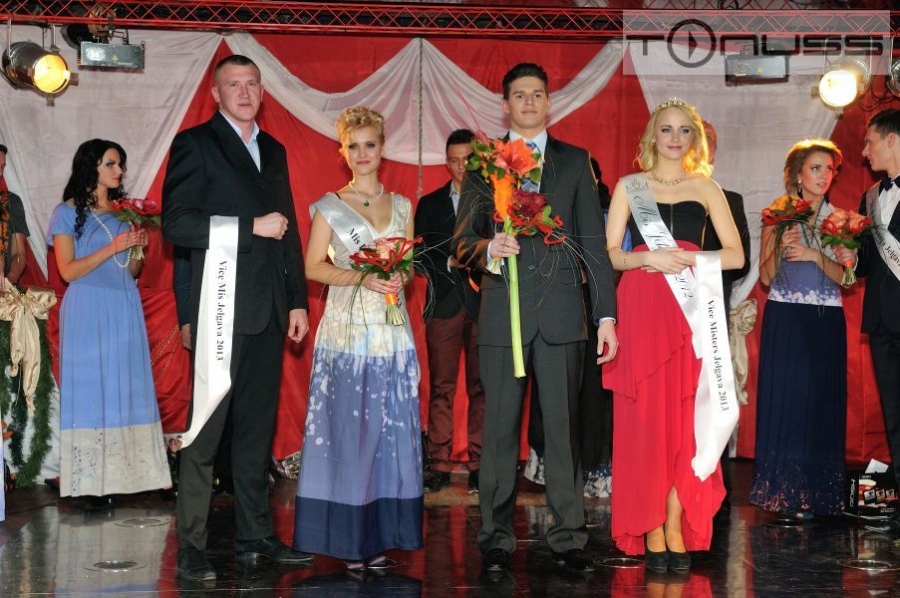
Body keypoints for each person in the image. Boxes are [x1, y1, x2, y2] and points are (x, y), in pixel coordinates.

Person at [453, 62, 618, 573]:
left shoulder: (575, 161)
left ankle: (568, 538)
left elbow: (594, 244)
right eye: (520, 94)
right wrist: (489, 248)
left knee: (563, 432)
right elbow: (461, 243)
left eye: (538, 94)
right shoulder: (485, 164)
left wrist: (606, 317)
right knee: (499, 432)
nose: (529, 101)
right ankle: (495, 539)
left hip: (563, 315)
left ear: (549, 102)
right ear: (505, 104)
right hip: (503, 313)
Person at [162, 54, 311, 582]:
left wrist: (297, 299)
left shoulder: (274, 149)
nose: (244, 92)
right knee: (205, 433)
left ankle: (255, 535)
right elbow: (177, 225)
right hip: (221, 308)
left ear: (263, 92)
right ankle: (192, 546)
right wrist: (250, 227)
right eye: (233, 84)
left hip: (269, 309)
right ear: (215, 94)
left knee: (255, 433)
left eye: (252, 83)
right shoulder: (195, 144)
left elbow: (288, 230)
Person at [603, 99, 744, 572]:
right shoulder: (629, 186)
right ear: (652, 136)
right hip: (643, 306)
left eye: (685, 130)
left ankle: (675, 522)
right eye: (666, 129)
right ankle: (651, 526)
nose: (675, 138)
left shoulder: (706, 188)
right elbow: (610, 254)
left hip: (690, 310)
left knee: (687, 421)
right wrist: (647, 257)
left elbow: (735, 256)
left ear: (695, 139)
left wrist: (687, 258)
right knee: (646, 421)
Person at [293, 106, 423, 571]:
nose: (362, 153)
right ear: (343, 151)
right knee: (349, 433)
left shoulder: (403, 206)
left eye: (370, 145)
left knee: (390, 431)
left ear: (383, 149)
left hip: (391, 332)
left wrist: (400, 276)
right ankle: (348, 538)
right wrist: (362, 278)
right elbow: (312, 267)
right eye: (354, 146)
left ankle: (381, 534)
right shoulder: (331, 205)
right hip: (346, 332)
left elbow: (409, 268)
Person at [47, 139, 170, 508]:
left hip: (123, 303)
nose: (120, 171)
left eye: (121, 165)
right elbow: (69, 271)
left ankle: (133, 476)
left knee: (126, 385)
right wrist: (113, 247)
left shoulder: (124, 214)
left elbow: (129, 271)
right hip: (87, 307)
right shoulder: (66, 212)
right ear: (92, 167)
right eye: (111, 164)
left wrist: (136, 249)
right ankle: (89, 482)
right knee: (92, 389)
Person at [750, 139, 851, 520]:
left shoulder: (840, 220)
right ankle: (783, 495)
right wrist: (780, 248)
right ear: (797, 174)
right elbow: (765, 277)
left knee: (821, 402)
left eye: (829, 169)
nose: (824, 176)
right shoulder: (778, 215)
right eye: (816, 168)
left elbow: (848, 279)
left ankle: (818, 495)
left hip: (826, 320)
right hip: (786, 317)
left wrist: (815, 255)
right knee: (788, 402)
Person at [415, 128, 484, 494]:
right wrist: (448, 261)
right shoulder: (430, 204)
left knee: (482, 387)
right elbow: (417, 254)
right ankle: (439, 463)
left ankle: (480, 463)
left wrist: (476, 261)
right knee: (441, 387)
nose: (461, 167)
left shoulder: (492, 201)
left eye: (467, 160)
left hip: (484, 305)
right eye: (455, 161)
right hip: (442, 304)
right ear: (446, 162)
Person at [700, 120, 752, 506]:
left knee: (713, 398)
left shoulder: (729, 199)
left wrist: (696, 266)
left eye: (704, 142)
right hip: (666, 312)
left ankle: (713, 483)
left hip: (711, 310)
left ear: (712, 152)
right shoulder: (654, 198)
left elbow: (742, 261)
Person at [857, 109, 900, 505]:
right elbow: (864, 263)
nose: (864, 151)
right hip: (883, 321)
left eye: (870, 142)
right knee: (894, 415)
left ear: (891, 139)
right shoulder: (870, 197)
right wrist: (848, 256)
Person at [0, 144, 31, 286]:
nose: (0, 173)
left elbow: (19, 254)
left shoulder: (12, 201)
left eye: (2, 167)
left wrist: (12, 276)